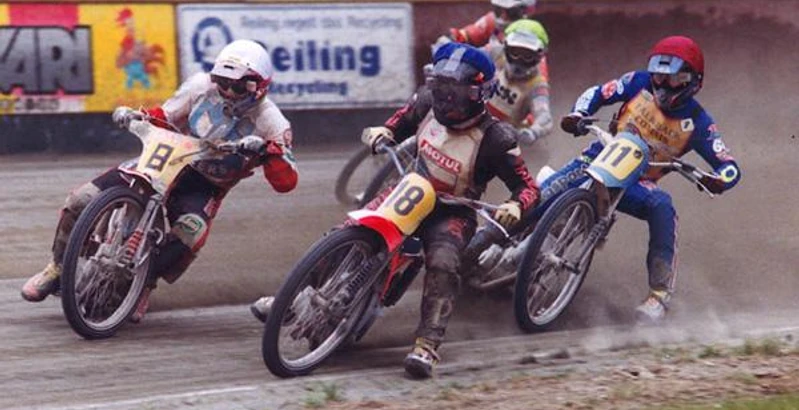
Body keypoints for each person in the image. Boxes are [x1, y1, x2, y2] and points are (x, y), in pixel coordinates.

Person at [21, 39, 299, 324]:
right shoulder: (200, 86)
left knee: (191, 233)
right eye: (221, 82)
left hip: (205, 184)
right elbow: (164, 117)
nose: (228, 91)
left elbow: (286, 182)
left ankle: (146, 282)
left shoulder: (272, 122)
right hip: (167, 155)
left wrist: (270, 152)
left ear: (260, 85)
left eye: (238, 86)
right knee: (81, 200)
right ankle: (56, 267)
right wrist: (138, 116)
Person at [548, 35, 741, 323]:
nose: (663, 85)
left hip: (636, 182)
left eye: (674, 79)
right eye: (659, 76)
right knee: (542, 192)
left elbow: (729, 165)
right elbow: (598, 93)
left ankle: (659, 295)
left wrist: (719, 179)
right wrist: (579, 114)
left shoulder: (699, 123)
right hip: (599, 155)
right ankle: (496, 240)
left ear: (693, 82)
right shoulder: (637, 82)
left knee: (663, 207)